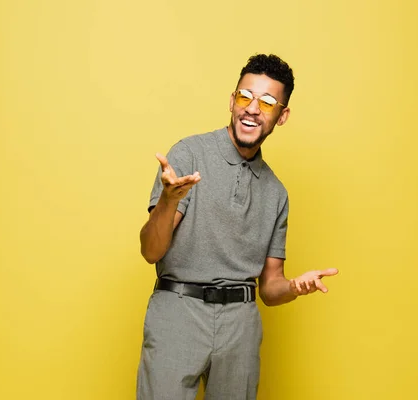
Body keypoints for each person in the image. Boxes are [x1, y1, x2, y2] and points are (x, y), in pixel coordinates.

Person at [136, 54, 338, 400]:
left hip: (240, 324)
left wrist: (294, 287)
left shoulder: (276, 192)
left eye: (268, 102)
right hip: (178, 310)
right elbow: (151, 251)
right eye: (245, 97)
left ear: (282, 115)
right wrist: (169, 201)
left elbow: (270, 288)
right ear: (232, 101)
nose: (253, 109)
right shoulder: (190, 154)